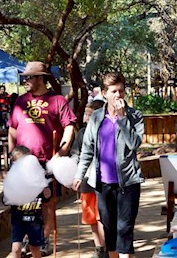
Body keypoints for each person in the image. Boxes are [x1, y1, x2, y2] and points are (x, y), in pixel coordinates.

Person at [73, 72, 144, 258]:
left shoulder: (134, 115)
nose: (118, 95)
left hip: (128, 182)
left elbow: (134, 144)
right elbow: (87, 149)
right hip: (103, 183)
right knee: (110, 229)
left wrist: (122, 119)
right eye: (114, 91)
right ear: (104, 93)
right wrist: (79, 175)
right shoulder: (96, 117)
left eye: (121, 91)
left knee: (125, 228)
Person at [8, 61, 76, 255]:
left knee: (48, 203)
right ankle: (23, 239)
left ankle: (43, 239)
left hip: (47, 161)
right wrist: (12, 155)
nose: (26, 81)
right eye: (25, 77)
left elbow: (69, 126)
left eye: (29, 77)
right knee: (24, 203)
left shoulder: (57, 101)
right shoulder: (20, 101)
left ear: (41, 78)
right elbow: (12, 129)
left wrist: (62, 151)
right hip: (22, 163)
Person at [70, 100, 108, 258]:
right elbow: (75, 154)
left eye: (90, 114)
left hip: (103, 181)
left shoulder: (107, 131)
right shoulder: (82, 133)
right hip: (86, 182)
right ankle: (98, 247)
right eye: (86, 113)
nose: (86, 117)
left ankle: (106, 247)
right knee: (91, 217)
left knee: (103, 217)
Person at [8, 146, 51, 258]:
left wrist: (47, 194)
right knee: (16, 248)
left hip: (34, 220)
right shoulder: (12, 180)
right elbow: (5, 199)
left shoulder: (38, 179)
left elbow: (45, 199)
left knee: (34, 248)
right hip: (17, 220)